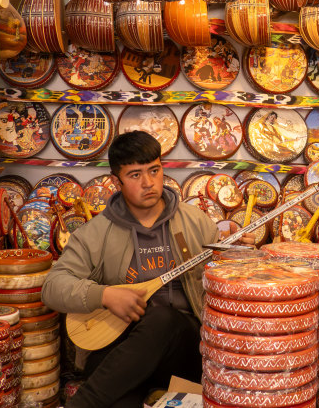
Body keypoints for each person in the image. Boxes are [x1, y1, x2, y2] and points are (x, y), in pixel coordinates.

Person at [42, 131, 219, 408]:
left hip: (183, 349)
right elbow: (52, 287)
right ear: (117, 181)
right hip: (119, 349)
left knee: (163, 319)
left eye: (154, 170)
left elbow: (225, 277)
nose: (149, 183)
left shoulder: (196, 222)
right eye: (135, 175)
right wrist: (105, 296)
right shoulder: (95, 233)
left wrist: (238, 255)